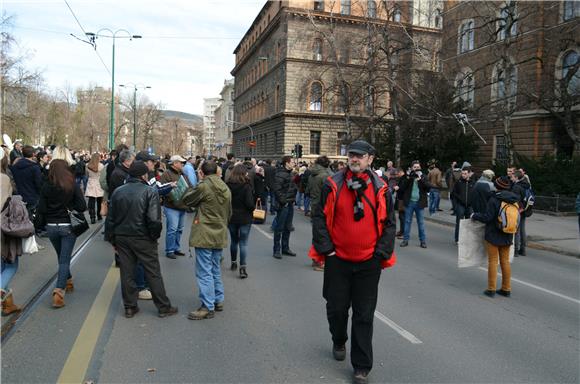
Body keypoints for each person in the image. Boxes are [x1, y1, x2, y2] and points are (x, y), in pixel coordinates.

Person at [309, 140, 396, 384]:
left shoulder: (381, 187)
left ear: (370, 159)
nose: (354, 159)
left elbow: (390, 223)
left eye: (359, 156)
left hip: (369, 262)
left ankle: (361, 366)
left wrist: (380, 254)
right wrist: (327, 250)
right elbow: (319, 216)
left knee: (364, 314)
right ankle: (338, 339)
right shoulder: (333, 183)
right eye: (351, 155)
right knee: (336, 308)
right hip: (338, 260)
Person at [105, 161, 178, 318]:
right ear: (144, 175)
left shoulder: (118, 191)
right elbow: (154, 219)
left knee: (127, 272)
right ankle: (163, 306)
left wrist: (112, 239)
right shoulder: (149, 191)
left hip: (122, 237)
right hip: (143, 237)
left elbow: (110, 218)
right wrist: (154, 236)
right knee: (153, 272)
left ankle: (130, 306)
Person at [182, 161, 232, 320]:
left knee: (204, 271)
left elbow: (187, 200)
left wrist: (197, 183)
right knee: (215, 268)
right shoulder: (225, 187)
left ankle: (207, 306)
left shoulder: (203, 186)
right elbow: (229, 213)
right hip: (219, 231)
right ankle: (218, 300)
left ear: (202, 173)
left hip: (204, 233)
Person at [36, 159, 87, 308]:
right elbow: (82, 206)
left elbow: (42, 209)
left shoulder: (46, 186)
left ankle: (68, 280)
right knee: (64, 259)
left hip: (51, 226)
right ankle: (59, 291)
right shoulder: (72, 185)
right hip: (67, 226)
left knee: (61, 256)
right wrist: (69, 204)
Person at [471, 176, 519, 298]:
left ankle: (491, 289)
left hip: (493, 233)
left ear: (496, 186)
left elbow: (487, 217)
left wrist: (475, 215)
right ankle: (506, 288)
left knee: (493, 261)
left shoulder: (494, 199)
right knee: (505, 261)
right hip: (508, 233)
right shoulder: (513, 199)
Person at [1, 148, 22, 315]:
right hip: (3, 227)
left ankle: (8, 303)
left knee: (2, 266)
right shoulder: (4, 179)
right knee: (11, 265)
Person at [226, 164, 254, 278]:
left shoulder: (227, 185)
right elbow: (249, 204)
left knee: (233, 241)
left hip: (232, 216)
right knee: (243, 243)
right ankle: (242, 268)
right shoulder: (246, 186)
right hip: (244, 217)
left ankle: (233, 263)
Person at [306, 155, 333, 271]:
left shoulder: (312, 174)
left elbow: (307, 190)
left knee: (316, 234)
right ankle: (319, 261)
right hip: (323, 207)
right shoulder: (326, 176)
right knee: (323, 234)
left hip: (314, 205)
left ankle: (315, 259)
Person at [159, 155, 188, 259]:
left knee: (179, 229)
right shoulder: (166, 173)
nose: (183, 164)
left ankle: (176, 248)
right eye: (181, 163)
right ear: (175, 163)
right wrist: (173, 196)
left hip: (182, 206)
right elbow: (162, 189)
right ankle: (170, 250)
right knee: (172, 229)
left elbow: (187, 186)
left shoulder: (183, 173)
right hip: (171, 206)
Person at [398, 161, 432, 248]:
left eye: (418, 167)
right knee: (407, 221)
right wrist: (409, 177)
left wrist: (420, 179)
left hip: (419, 203)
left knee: (420, 223)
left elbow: (428, 187)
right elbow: (402, 188)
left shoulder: (423, 176)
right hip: (409, 202)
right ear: (412, 168)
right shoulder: (408, 176)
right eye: (415, 167)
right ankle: (405, 240)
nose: (416, 168)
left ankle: (423, 241)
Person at [271, 155, 298, 259]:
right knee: (279, 228)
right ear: (287, 163)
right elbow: (277, 190)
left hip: (290, 203)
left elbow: (291, 188)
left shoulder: (290, 173)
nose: (294, 164)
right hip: (284, 205)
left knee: (288, 227)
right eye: (292, 162)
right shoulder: (280, 174)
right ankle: (277, 249)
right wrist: (284, 202)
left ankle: (285, 248)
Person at [10, 145, 42, 220]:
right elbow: (38, 184)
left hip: (18, 196)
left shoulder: (15, 166)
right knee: (29, 219)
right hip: (32, 197)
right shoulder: (35, 167)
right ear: (33, 154)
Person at [451, 167, 475, 244]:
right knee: (459, 223)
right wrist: (455, 206)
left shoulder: (473, 183)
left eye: (465, 173)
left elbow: (476, 195)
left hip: (470, 206)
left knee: (469, 223)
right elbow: (453, 194)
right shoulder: (459, 182)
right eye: (462, 173)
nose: (463, 175)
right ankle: (457, 239)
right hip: (460, 205)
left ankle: (467, 239)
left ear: (469, 174)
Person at [510, 169, 531, 256]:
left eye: (512, 177)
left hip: (518, 209)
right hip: (524, 209)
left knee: (517, 231)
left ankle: (515, 251)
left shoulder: (516, 187)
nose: (511, 178)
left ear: (516, 177)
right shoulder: (526, 184)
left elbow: (516, 199)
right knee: (522, 230)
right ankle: (523, 249)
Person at [85, 153, 105, 224]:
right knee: (99, 201)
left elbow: (86, 175)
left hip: (91, 183)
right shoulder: (101, 166)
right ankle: (99, 215)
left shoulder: (87, 165)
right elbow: (103, 175)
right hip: (98, 183)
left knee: (91, 201)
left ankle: (92, 217)